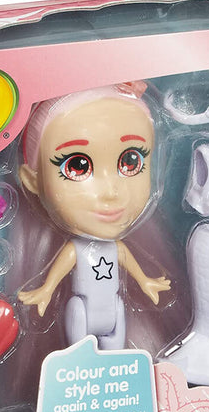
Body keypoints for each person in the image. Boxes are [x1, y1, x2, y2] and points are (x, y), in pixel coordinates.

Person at [18, 82, 170, 350]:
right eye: (77, 166)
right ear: (33, 181)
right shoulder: (76, 249)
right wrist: (45, 291)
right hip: (82, 308)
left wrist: (146, 282)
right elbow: (58, 273)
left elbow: (129, 264)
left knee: (116, 349)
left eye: (131, 161)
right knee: (80, 349)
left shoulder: (116, 248)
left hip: (114, 307)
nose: (110, 192)